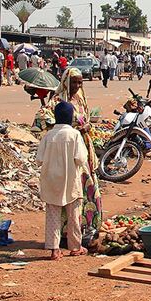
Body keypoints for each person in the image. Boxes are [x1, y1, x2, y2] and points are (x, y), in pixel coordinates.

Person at [48, 67, 103, 243]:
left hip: (83, 146)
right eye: (74, 82)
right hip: (67, 149)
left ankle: (85, 227)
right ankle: (65, 233)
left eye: (80, 82)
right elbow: (45, 120)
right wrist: (69, 130)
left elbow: (86, 119)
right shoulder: (57, 100)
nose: (77, 85)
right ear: (66, 81)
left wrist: (87, 127)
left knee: (86, 186)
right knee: (69, 188)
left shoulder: (80, 98)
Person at [37, 101, 89, 259]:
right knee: (73, 215)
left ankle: (54, 250)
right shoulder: (74, 135)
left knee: (53, 215)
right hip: (70, 180)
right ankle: (75, 247)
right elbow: (81, 158)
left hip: (51, 180)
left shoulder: (48, 135)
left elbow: (39, 159)